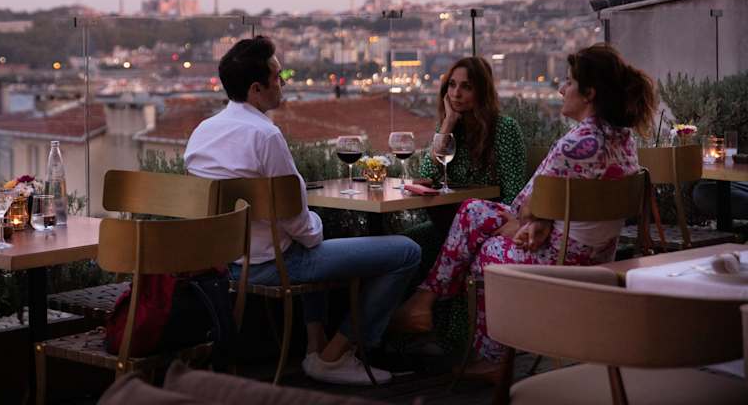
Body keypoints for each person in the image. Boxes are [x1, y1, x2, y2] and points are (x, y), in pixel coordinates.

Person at [393, 44, 655, 376]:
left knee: (486, 251)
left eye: (568, 82)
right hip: (596, 253)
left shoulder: (574, 144)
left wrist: (529, 220)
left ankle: (484, 353)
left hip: (562, 259)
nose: (561, 90)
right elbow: (543, 203)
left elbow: (524, 204)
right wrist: (534, 219)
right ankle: (428, 303)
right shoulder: (624, 139)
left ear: (589, 94)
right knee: (473, 211)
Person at [184, 36, 421, 386]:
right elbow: (298, 221)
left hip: (223, 265)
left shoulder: (202, 133)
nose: (283, 82)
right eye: (277, 76)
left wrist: (310, 230)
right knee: (406, 252)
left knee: (312, 239)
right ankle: (336, 355)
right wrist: (314, 227)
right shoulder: (266, 136)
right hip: (270, 266)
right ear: (256, 89)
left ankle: (315, 346)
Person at [404, 56, 528, 350]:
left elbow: (514, 195)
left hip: (489, 227)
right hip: (449, 223)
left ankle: (454, 337)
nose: (456, 94)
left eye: (466, 87)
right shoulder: (451, 128)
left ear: (481, 91)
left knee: (431, 245)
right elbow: (427, 173)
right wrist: (447, 124)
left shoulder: (504, 129)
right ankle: (410, 336)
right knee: (408, 244)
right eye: (452, 85)